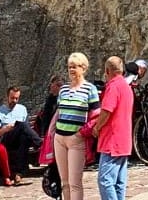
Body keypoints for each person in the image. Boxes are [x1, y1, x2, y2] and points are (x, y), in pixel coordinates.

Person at [53, 53, 100, 200]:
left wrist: (81, 133)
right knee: (64, 182)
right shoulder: (63, 89)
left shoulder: (90, 89)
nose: (71, 70)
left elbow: (96, 115)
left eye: (75, 67)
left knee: (75, 183)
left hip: (76, 139)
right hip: (59, 138)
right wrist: (51, 131)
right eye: (69, 67)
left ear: (83, 68)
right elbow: (59, 112)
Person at [93, 57, 133, 200]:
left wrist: (97, 127)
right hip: (124, 140)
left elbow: (107, 110)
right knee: (119, 182)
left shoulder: (113, 86)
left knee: (105, 180)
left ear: (107, 71)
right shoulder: (126, 86)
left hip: (112, 140)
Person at [0, 84, 41, 179]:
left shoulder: (22, 109)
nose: (14, 101)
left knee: (24, 138)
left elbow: (26, 129)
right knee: (21, 124)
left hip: (20, 138)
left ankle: (20, 173)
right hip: (6, 139)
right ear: (7, 97)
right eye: (12, 98)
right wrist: (6, 129)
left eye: (17, 98)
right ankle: (40, 144)